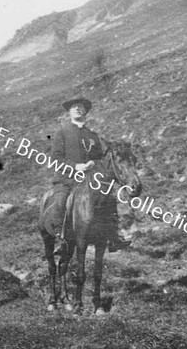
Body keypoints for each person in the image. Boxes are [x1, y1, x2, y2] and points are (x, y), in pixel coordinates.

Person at [48, 97, 131, 255]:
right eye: (74, 107)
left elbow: (99, 157)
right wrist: (75, 166)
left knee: (109, 198)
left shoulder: (93, 135)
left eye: (80, 107)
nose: (77, 109)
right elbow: (56, 159)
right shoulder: (62, 132)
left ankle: (114, 238)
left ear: (85, 111)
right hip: (67, 179)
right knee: (60, 202)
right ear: (70, 112)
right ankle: (62, 241)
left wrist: (92, 163)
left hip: (89, 179)